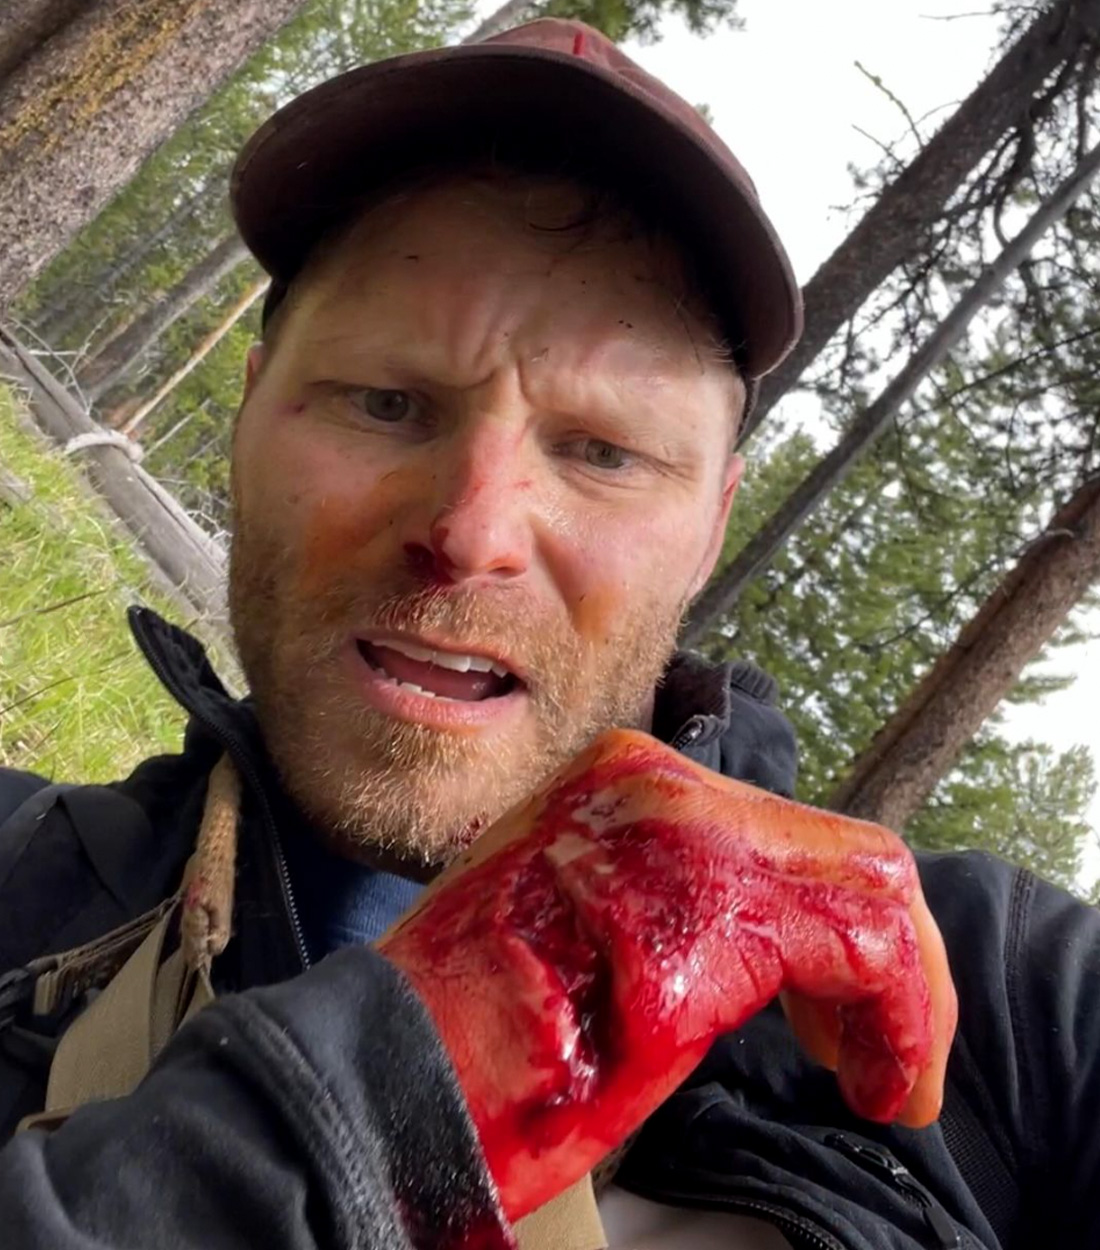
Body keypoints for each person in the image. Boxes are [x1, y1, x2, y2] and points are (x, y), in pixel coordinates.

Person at [0, 18, 1095, 1250]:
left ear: (709, 527)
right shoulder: (16, 876)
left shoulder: (1008, 1010)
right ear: (248, 416)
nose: (471, 532)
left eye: (602, 451)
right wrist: (363, 1110)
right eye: (386, 400)